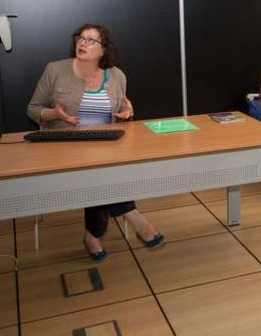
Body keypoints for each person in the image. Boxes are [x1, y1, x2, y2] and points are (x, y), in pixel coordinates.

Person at [27, 23, 165, 261]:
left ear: (103, 50)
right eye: (80, 38)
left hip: (106, 143)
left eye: (91, 40)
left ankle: (92, 234)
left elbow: (122, 109)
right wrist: (56, 115)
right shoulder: (55, 70)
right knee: (99, 172)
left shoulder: (117, 76)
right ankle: (132, 215)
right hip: (64, 146)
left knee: (100, 169)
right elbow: (32, 109)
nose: (83, 43)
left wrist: (127, 112)